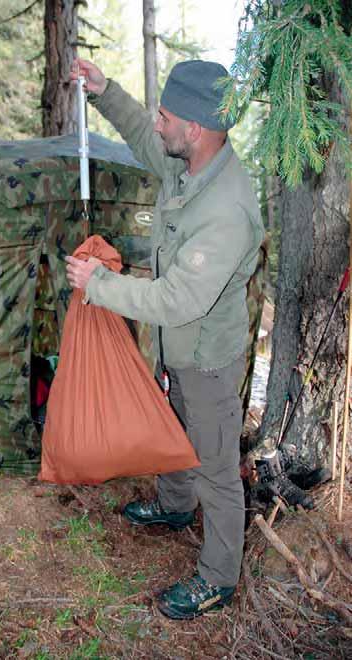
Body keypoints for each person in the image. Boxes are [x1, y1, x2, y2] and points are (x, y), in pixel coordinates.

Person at [66, 58, 264, 620]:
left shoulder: (226, 209)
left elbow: (178, 299)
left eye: (166, 117)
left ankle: (218, 577)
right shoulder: (188, 161)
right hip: (177, 347)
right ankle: (176, 507)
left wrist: (101, 286)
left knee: (217, 469)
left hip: (206, 359)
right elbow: (141, 136)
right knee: (170, 426)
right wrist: (106, 93)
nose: (158, 124)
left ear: (195, 129)